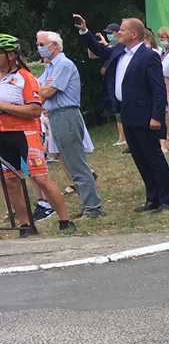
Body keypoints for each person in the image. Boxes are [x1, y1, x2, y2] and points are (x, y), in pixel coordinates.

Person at [75, 15, 169, 211]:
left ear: (134, 34)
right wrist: (84, 32)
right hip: (127, 112)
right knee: (139, 158)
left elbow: (158, 90)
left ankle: (167, 199)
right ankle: (152, 198)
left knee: (153, 157)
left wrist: (156, 116)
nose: (118, 33)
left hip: (144, 115)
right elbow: (99, 50)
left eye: (122, 30)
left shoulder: (148, 56)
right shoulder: (120, 51)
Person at [0, 34, 75, 236]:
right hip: (2, 135)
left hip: (25, 133)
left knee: (40, 178)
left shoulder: (25, 77)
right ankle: (26, 225)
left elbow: (34, 110)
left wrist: (4, 107)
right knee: (10, 181)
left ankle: (65, 220)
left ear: (10, 55)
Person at [35, 30, 104, 219]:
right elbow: (36, 88)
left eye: (42, 44)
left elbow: (47, 91)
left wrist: (42, 90)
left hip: (66, 114)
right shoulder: (50, 67)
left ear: (54, 45)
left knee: (76, 161)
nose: (39, 48)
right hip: (56, 115)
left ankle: (93, 207)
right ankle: (87, 204)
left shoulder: (63, 64)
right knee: (68, 162)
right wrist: (41, 89)